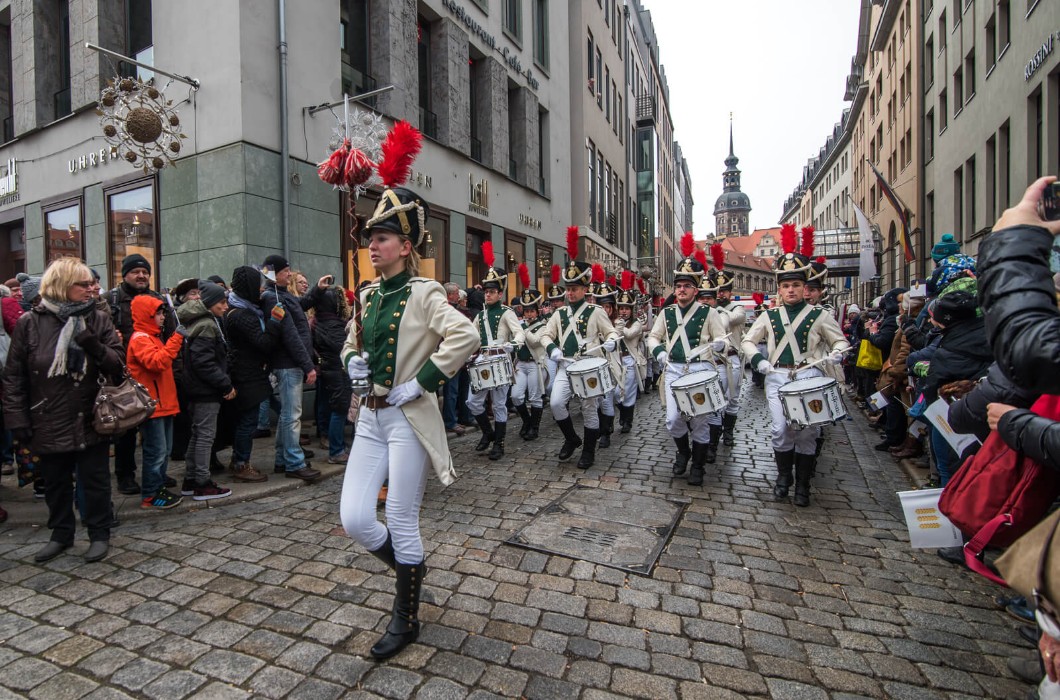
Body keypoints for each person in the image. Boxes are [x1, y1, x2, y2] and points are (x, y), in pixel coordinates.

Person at [339, 185, 478, 660]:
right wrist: (352, 359)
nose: (372, 246)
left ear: (405, 246)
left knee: (399, 517)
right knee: (355, 518)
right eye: (371, 238)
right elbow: (351, 342)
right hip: (372, 419)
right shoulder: (368, 293)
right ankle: (410, 573)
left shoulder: (424, 292)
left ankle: (406, 616)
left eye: (381, 237)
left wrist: (422, 381)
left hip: (407, 419)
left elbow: (466, 333)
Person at [4, 258, 125, 560]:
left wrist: (91, 343)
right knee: (56, 484)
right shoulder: (29, 323)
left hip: (90, 416)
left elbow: (118, 365)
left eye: (91, 284)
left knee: (95, 482)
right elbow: (14, 377)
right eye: (83, 284)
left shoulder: (97, 319)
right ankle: (61, 534)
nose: (91, 289)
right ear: (61, 285)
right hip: (47, 416)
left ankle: (99, 534)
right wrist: (18, 420)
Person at [741, 224, 850, 507]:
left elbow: (840, 341)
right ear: (780, 288)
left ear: (805, 287)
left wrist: (837, 353)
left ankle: (802, 485)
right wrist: (760, 360)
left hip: (809, 375)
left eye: (796, 285)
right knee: (780, 429)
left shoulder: (820, 315)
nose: (791, 290)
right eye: (786, 286)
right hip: (778, 376)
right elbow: (748, 342)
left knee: (808, 431)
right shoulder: (769, 316)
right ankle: (783, 478)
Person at [647, 236, 727, 486]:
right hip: (674, 370)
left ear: (695, 289)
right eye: (678, 285)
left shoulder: (709, 312)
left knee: (701, 421)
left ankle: (698, 466)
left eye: (686, 286)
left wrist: (719, 344)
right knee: (673, 419)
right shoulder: (667, 312)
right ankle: (683, 451)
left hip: (701, 370)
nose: (681, 290)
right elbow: (653, 337)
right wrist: (658, 351)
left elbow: (721, 338)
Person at [539, 227, 620, 470]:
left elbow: (611, 331)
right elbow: (545, 335)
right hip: (567, 365)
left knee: (588, 409)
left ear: (585, 290)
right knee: (555, 403)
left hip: (590, 367)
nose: (570, 293)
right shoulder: (559, 313)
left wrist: (612, 340)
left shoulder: (595, 312)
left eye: (574, 289)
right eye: (568, 288)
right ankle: (572, 439)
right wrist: (552, 348)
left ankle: (588, 451)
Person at [106, 254, 175, 495]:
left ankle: (157, 475)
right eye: (135, 271)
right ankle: (125, 476)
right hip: (123, 376)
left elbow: (169, 333)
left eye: (145, 271)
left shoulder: (157, 300)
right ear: (124, 275)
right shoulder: (112, 300)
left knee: (156, 435)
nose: (142, 275)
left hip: (154, 374)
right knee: (126, 431)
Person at [259, 255, 323, 481]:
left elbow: (300, 305)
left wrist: (317, 290)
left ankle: (282, 460)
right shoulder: (272, 298)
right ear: (274, 274)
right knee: (292, 416)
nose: (290, 274)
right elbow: (290, 335)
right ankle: (294, 463)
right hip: (289, 364)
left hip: (292, 363)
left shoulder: (284, 295)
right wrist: (308, 365)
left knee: (288, 415)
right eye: (286, 271)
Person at [175, 281, 235, 500]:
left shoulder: (200, 321)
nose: (225, 306)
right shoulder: (207, 325)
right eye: (221, 302)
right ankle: (202, 482)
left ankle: (191, 479)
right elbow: (204, 362)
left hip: (197, 388)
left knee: (197, 434)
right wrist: (225, 384)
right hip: (205, 390)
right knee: (205, 436)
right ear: (209, 303)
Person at [127, 294, 186, 510]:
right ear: (147, 315)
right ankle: (150, 494)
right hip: (153, 407)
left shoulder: (152, 336)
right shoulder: (141, 338)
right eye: (158, 314)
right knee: (156, 452)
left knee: (164, 450)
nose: (162, 317)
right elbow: (157, 363)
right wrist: (176, 339)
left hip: (163, 404)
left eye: (162, 313)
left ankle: (158, 488)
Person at [466, 245, 524, 460]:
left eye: (491, 292)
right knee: (472, 401)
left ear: (500, 293)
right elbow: (470, 337)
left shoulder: (507, 312)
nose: (487, 295)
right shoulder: (479, 316)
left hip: (500, 359)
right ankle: (488, 433)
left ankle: (498, 444)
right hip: (482, 360)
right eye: (486, 292)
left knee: (499, 404)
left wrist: (513, 345)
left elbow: (520, 334)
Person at [224, 266, 281, 483]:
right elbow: (264, 343)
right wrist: (275, 321)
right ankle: (241, 463)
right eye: (256, 284)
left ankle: (238, 460)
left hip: (247, 373)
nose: (259, 289)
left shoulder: (238, 308)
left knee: (245, 421)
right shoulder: (242, 315)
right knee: (248, 422)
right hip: (247, 375)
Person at [710, 243, 748, 448]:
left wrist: (716, 309)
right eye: (718, 291)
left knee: (732, 398)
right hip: (713, 358)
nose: (721, 295)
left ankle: (729, 431)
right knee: (714, 396)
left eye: (724, 291)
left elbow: (732, 319)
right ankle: (713, 434)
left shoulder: (737, 308)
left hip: (731, 357)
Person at [313, 285, 353, 464]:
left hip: (329, 369)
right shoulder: (334, 326)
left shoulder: (319, 322)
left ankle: (338, 446)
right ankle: (336, 451)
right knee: (339, 409)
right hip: (337, 370)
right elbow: (343, 348)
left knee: (334, 407)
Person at [512, 265, 547, 441]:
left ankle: (534, 427)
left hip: (535, 364)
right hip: (521, 364)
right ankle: (526, 421)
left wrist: (522, 327)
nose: (529, 314)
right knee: (516, 396)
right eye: (526, 311)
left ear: (537, 311)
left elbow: (534, 341)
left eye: (532, 311)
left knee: (535, 397)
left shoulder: (543, 326)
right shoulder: (521, 324)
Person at [614, 272, 646, 434]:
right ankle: (623, 413)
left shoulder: (637, 324)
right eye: (621, 308)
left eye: (627, 308)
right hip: (616, 361)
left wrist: (618, 325)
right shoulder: (615, 322)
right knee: (614, 393)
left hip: (630, 361)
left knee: (628, 393)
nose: (624, 311)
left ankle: (628, 421)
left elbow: (628, 334)